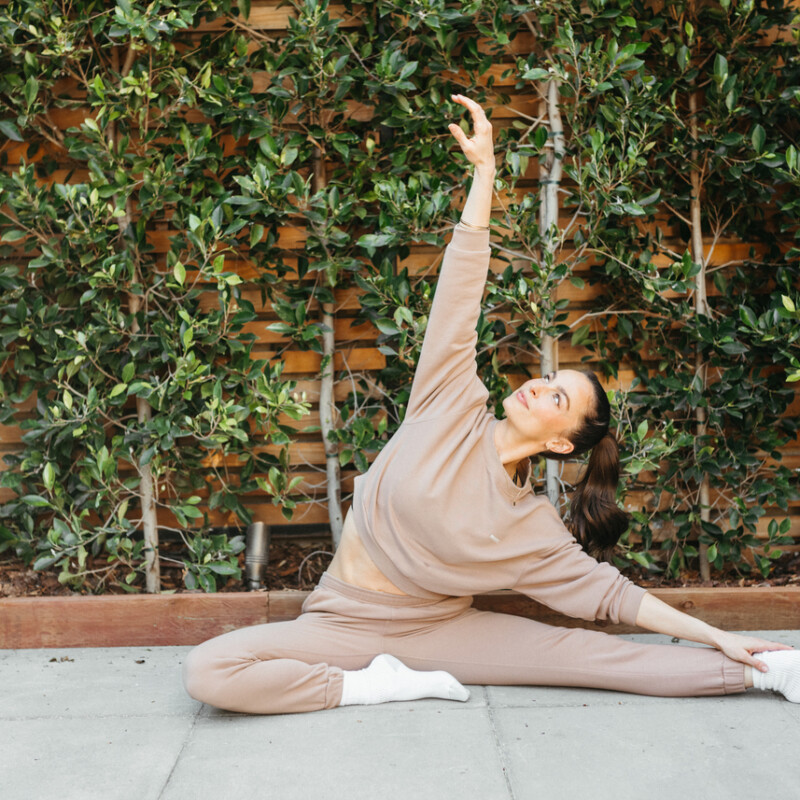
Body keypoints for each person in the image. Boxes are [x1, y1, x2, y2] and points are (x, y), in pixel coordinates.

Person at [182, 94, 798, 714]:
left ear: (561, 442)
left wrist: (720, 637)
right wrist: (485, 174)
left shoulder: (530, 527)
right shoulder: (448, 400)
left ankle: (768, 673)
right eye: (548, 375)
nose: (537, 384)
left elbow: (613, 599)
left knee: (585, 656)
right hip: (340, 619)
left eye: (557, 395)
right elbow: (459, 293)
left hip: (439, 629)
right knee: (209, 670)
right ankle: (375, 686)